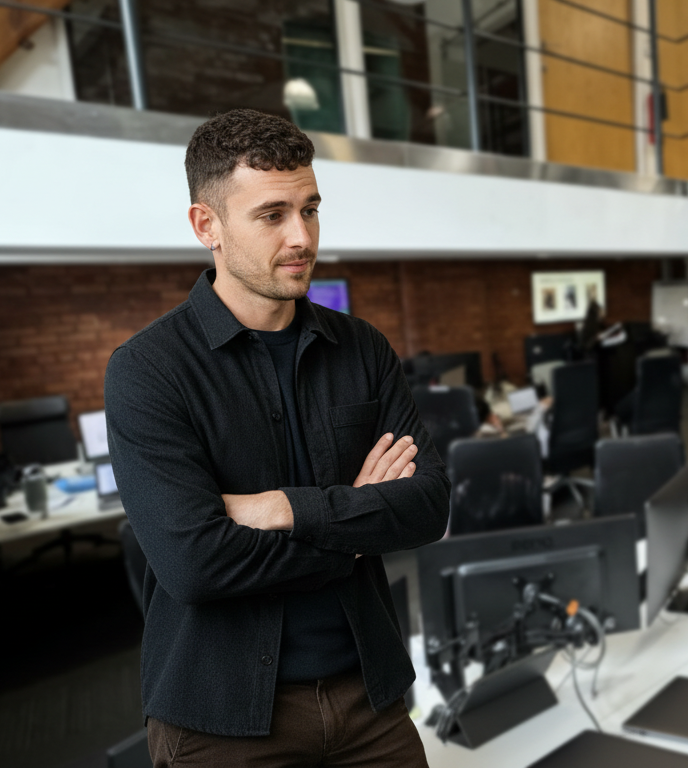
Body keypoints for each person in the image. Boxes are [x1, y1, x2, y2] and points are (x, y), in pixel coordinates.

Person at [105, 109, 448, 767]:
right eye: (272, 215)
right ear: (207, 225)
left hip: (368, 698)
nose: (303, 236)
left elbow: (428, 506)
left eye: (311, 209)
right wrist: (351, 533)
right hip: (223, 719)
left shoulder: (361, 348)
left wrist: (282, 509)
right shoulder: (148, 371)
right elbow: (196, 564)